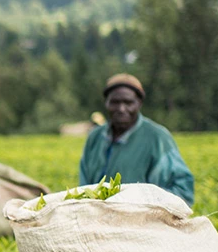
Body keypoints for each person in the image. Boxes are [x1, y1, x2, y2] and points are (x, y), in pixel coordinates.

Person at [79, 74, 195, 206]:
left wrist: (142, 201)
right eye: (115, 102)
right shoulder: (95, 137)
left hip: (142, 222)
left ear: (139, 103)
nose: (121, 109)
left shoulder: (157, 137)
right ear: (106, 103)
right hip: (95, 220)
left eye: (128, 103)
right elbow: (84, 188)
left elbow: (183, 191)